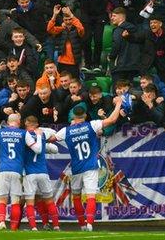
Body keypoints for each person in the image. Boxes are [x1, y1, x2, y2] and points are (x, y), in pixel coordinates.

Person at [50, 97, 123, 231]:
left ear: (73, 116)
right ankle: (89, 224)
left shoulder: (66, 131)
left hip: (76, 169)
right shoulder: (92, 125)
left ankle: (82, 224)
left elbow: (51, 139)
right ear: (84, 115)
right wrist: (118, 104)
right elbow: (112, 120)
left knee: (76, 197)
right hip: (90, 167)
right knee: (91, 196)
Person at [22, 115, 61, 231]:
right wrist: (47, 145)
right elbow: (55, 148)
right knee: (49, 200)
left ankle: (33, 227)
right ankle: (56, 226)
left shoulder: (23, 136)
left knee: (30, 202)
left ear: (26, 123)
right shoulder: (43, 134)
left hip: (29, 173)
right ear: (37, 124)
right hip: (43, 172)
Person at [0, 113, 27, 231]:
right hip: (17, 170)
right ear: (19, 122)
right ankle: (13, 228)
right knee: (15, 201)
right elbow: (33, 148)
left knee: (2, 199)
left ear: (8, 122)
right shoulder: (23, 133)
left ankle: (2, 222)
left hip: (3, 169)